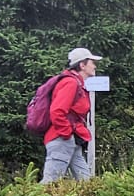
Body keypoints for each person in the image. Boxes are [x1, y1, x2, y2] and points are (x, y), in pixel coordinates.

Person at [32, 46, 101, 182]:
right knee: (50, 183)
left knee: (85, 182)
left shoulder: (76, 83)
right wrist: (66, 134)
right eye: (92, 62)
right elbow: (57, 111)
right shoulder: (70, 83)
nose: (95, 66)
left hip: (70, 140)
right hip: (61, 140)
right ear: (82, 65)